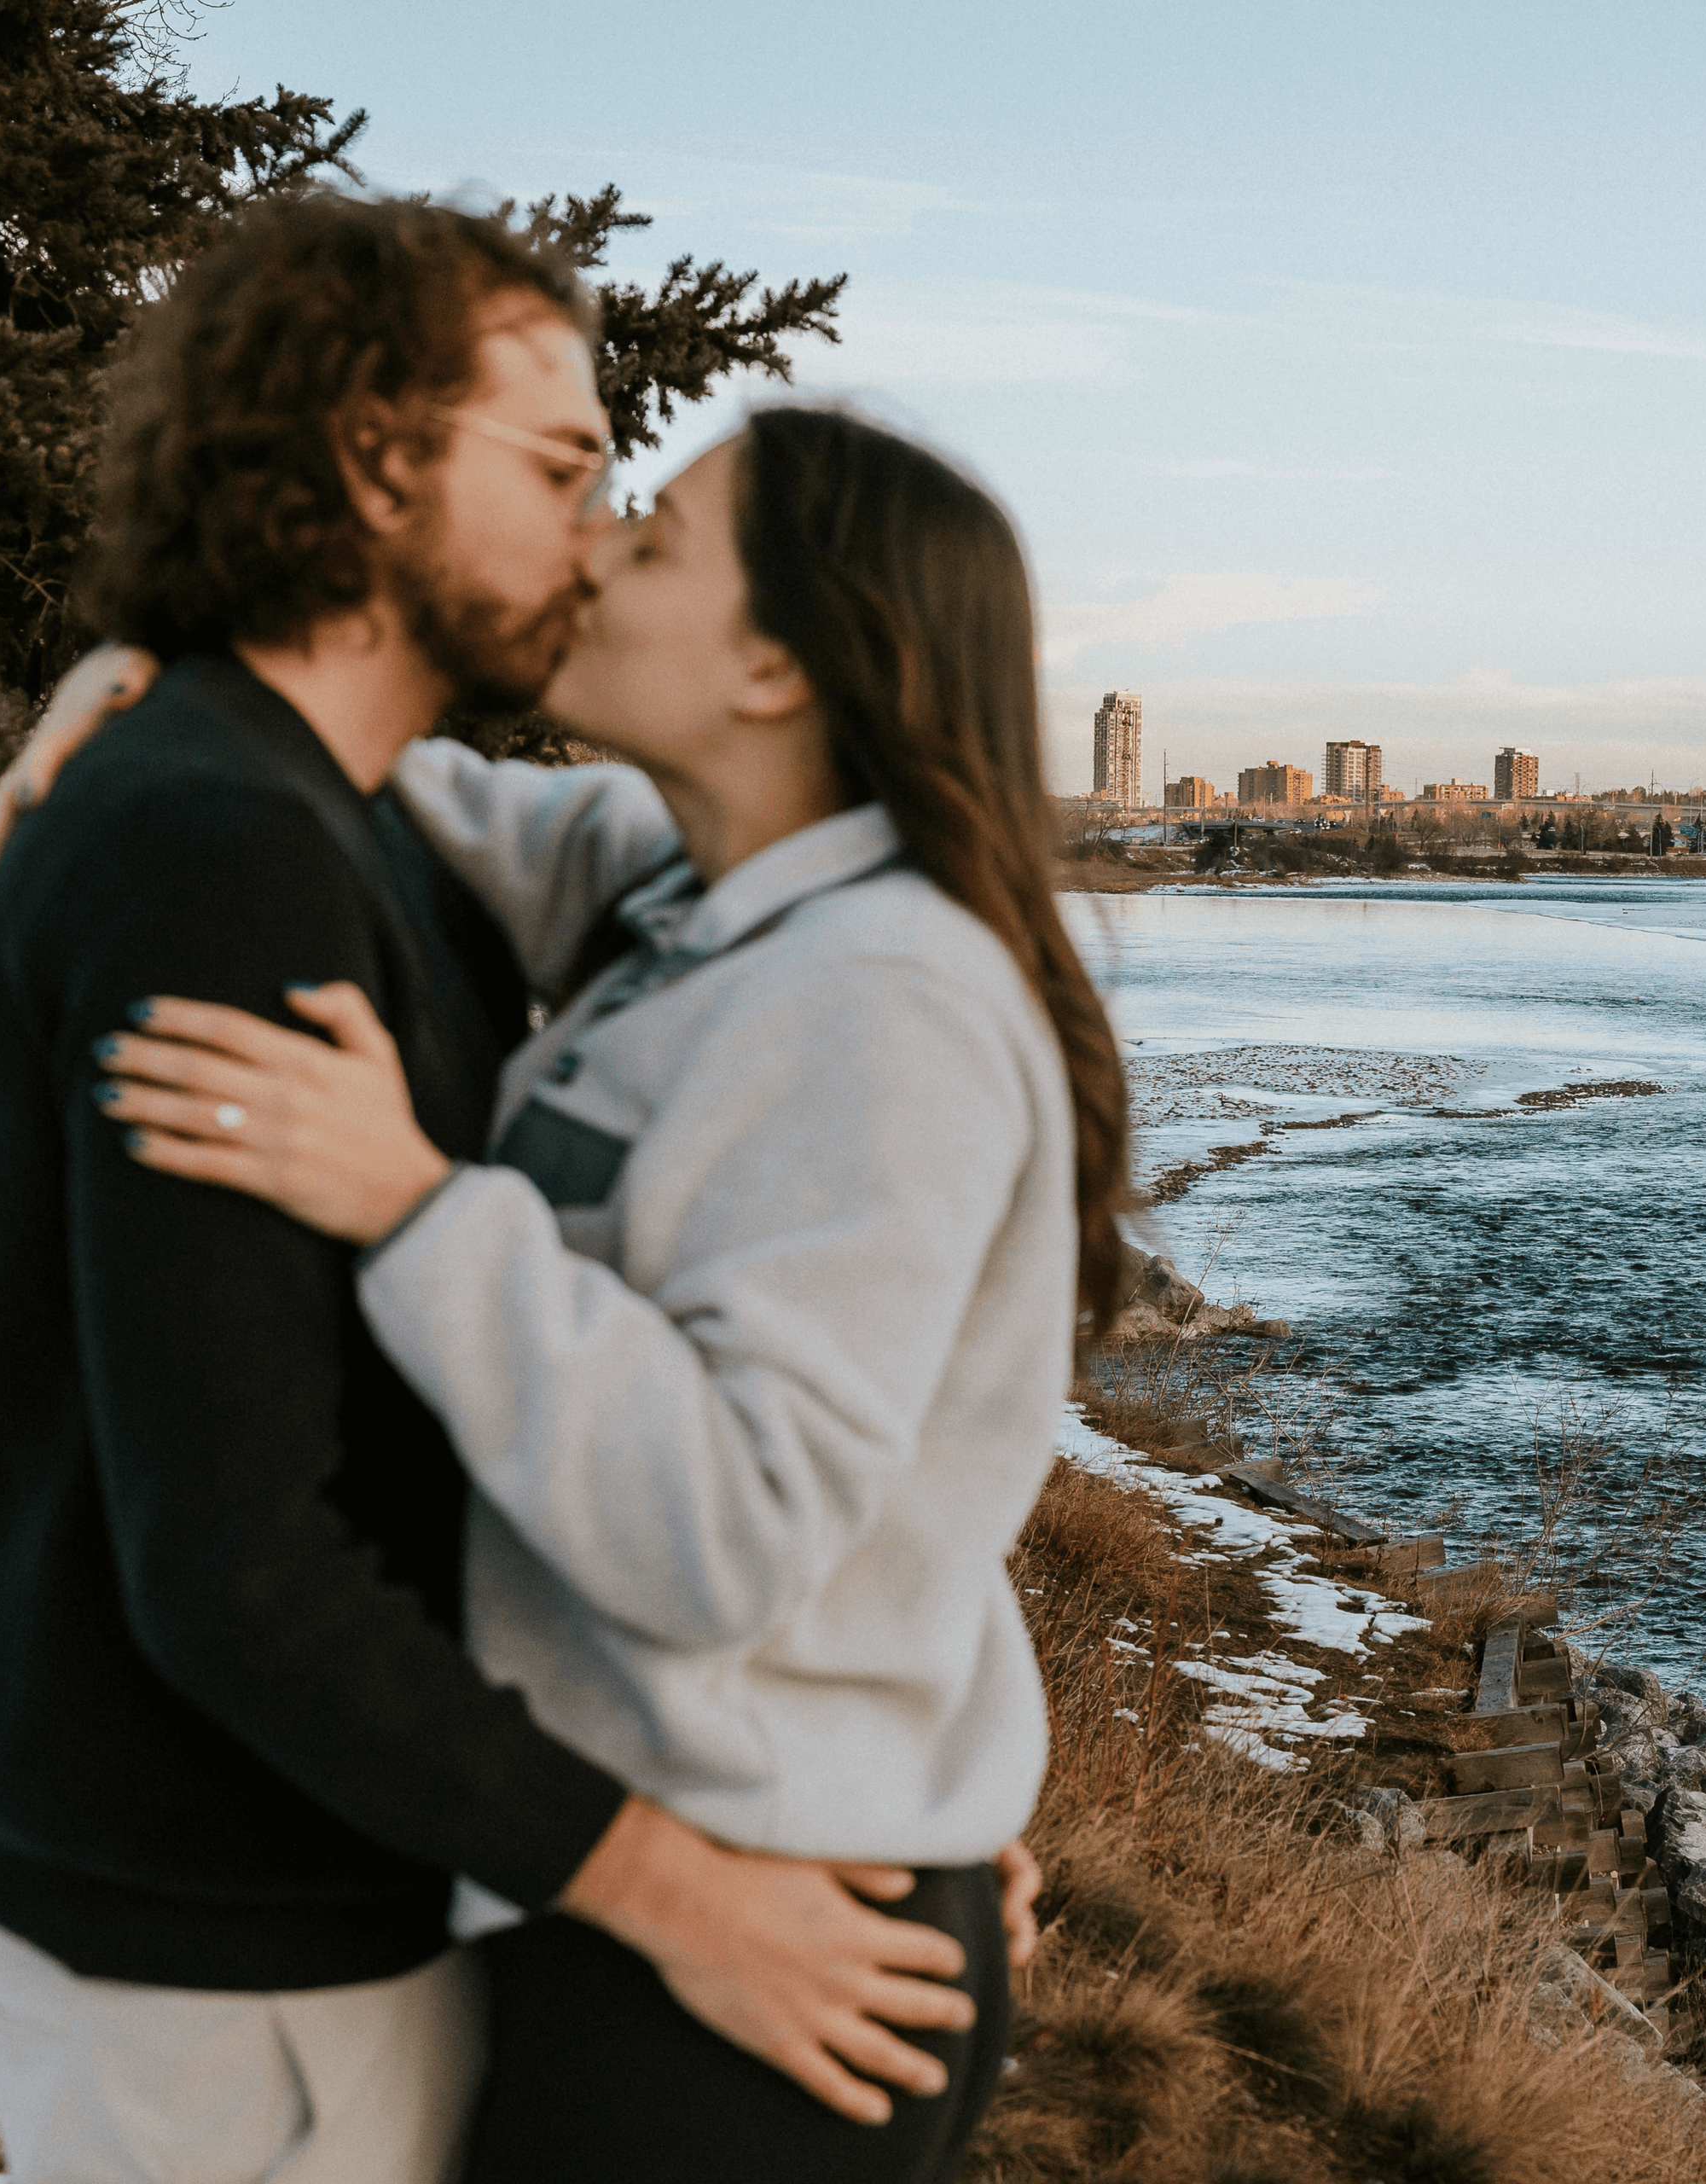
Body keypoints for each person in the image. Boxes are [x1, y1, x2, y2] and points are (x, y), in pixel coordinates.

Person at [0, 198, 989, 2184]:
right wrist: (684, 1889)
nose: (597, 533)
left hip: (334, 1903)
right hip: (229, 1946)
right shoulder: (218, 850)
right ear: (371, 459)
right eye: (568, 467)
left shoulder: (366, 824)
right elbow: (238, 1564)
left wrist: (912, 1764)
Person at [69, 402, 1126, 2181]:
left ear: (779, 659)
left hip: (747, 1970)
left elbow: (734, 1519)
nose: (595, 547)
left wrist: (412, 1204)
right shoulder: (695, 891)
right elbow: (391, 776)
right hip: (694, 1893)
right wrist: (145, 693)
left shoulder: (883, 999)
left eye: (656, 536)